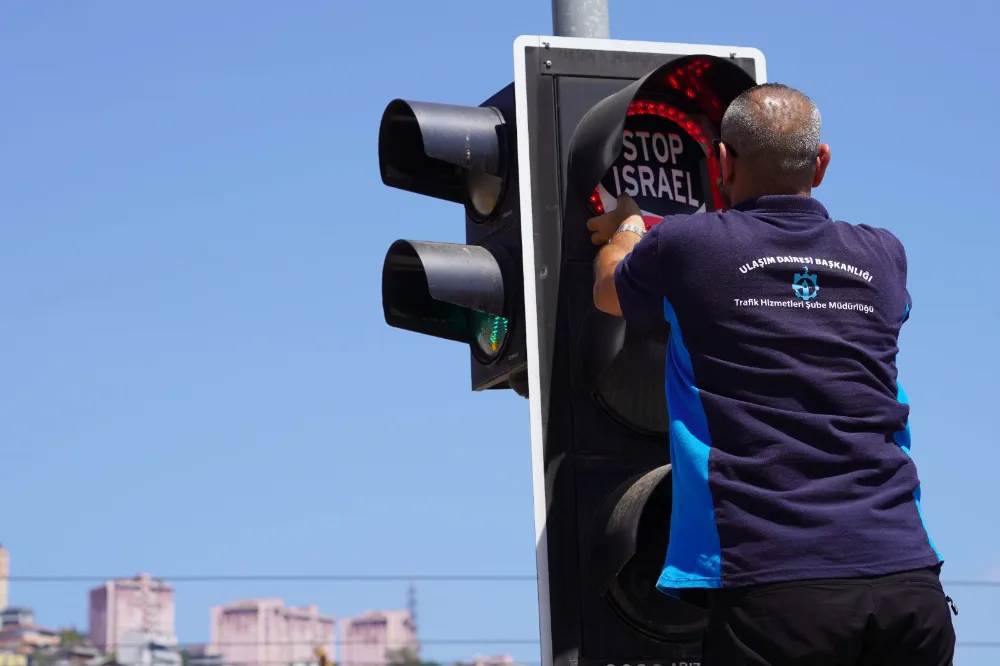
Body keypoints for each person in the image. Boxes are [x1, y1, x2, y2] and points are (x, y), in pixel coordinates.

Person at [587, 82, 957, 666]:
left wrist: (629, 228)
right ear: (822, 162)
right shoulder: (884, 254)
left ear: (722, 162)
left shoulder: (687, 245)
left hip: (774, 585)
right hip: (907, 583)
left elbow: (609, 291)